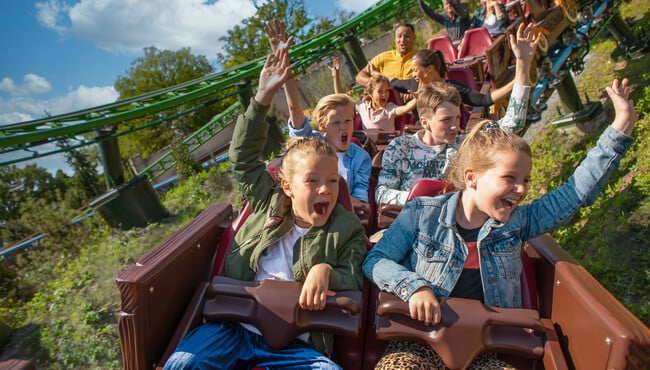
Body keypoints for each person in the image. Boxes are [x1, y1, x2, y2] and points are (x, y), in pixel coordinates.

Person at [363, 77, 638, 369]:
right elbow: (376, 259)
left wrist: (619, 128)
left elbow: (573, 194)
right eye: (510, 178)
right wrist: (415, 287)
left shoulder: (517, 223)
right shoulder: (421, 214)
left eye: (525, 181)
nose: (521, 190)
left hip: (483, 349)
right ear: (472, 178)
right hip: (419, 342)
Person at [164, 48, 367, 370]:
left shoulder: (347, 228)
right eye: (312, 181)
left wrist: (325, 271)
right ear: (287, 187)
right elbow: (243, 159)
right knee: (184, 364)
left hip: (297, 338)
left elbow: (354, 274)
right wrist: (261, 98)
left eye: (332, 181)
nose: (326, 189)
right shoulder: (267, 200)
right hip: (235, 327)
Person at [376, 23, 537, 206]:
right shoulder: (401, 148)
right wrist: (417, 197)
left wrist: (523, 65)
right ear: (425, 122)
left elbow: (513, 123)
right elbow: (381, 193)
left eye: (458, 118)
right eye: (446, 120)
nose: (455, 126)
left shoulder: (464, 144)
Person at [264, 20, 372, 214]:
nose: (344, 128)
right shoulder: (311, 144)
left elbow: (362, 203)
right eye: (336, 122)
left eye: (348, 121)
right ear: (323, 126)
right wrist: (283, 61)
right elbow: (294, 108)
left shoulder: (360, 158)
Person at [330, 57, 418, 131]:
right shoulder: (362, 107)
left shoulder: (389, 108)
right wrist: (336, 76)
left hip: (387, 146)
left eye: (387, 91)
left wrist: (417, 98)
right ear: (370, 94)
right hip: (370, 146)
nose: (385, 94)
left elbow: (405, 108)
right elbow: (341, 99)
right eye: (380, 91)